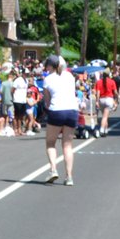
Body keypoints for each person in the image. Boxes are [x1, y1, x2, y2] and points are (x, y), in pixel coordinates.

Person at [41, 54, 78, 185]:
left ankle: (53, 170)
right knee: (67, 145)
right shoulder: (70, 76)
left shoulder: (48, 79)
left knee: (51, 143)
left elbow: (47, 101)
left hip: (57, 110)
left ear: (50, 66)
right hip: (72, 110)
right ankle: (69, 177)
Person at [95, 68, 119, 136]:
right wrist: (116, 99)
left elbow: (98, 93)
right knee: (105, 117)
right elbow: (115, 92)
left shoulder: (99, 82)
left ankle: (106, 130)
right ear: (109, 74)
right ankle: (102, 130)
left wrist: (97, 101)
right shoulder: (112, 82)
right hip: (109, 100)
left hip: (101, 100)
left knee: (104, 116)